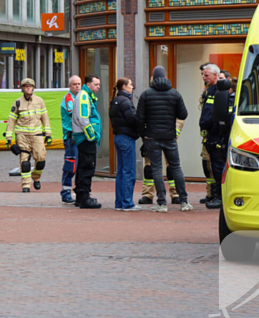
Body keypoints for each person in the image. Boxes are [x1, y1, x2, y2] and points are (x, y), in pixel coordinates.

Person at [135, 66, 191, 212]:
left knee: (156, 169)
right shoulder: (175, 94)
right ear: (165, 78)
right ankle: (184, 201)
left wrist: (144, 135)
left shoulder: (146, 94)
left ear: (152, 78)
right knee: (176, 167)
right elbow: (183, 114)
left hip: (152, 137)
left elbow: (139, 119)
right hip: (170, 137)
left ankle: (161, 203)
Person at [4, 78, 52, 193]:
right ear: (22, 88)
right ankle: (26, 185)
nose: (28, 88)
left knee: (41, 160)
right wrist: (9, 138)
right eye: (26, 86)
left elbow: (45, 119)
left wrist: (48, 134)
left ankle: (36, 178)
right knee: (24, 162)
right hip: (22, 136)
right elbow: (11, 121)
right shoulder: (17, 102)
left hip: (37, 135)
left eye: (30, 86)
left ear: (33, 87)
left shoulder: (40, 101)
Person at [200, 74, 235, 210]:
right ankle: (217, 195)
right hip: (221, 137)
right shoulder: (215, 95)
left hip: (220, 137)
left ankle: (220, 197)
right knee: (215, 167)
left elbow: (211, 118)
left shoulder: (222, 98)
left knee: (219, 168)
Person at [109, 77, 141, 211]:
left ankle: (119, 202)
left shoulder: (115, 101)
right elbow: (133, 119)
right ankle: (127, 203)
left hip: (118, 137)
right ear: (124, 87)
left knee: (121, 171)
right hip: (127, 138)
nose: (132, 87)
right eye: (130, 85)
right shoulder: (125, 101)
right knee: (129, 171)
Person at [71, 75, 103, 209]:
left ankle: (81, 196)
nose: (98, 87)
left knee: (83, 166)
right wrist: (92, 136)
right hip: (85, 138)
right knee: (87, 166)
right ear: (88, 85)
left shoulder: (85, 95)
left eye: (99, 85)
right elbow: (84, 118)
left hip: (83, 137)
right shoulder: (84, 96)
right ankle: (84, 198)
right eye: (96, 84)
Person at [59, 75, 82, 205]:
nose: (77, 86)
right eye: (74, 84)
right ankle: (65, 192)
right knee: (70, 165)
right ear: (70, 86)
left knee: (77, 165)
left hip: (77, 137)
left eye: (79, 84)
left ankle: (75, 190)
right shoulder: (69, 98)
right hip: (71, 137)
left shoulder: (78, 98)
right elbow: (75, 113)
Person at [199, 63, 221, 206]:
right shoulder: (209, 91)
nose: (203, 77)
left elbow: (213, 114)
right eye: (203, 75)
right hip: (210, 136)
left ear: (215, 75)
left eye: (206, 75)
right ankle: (213, 195)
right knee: (211, 167)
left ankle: (218, 197)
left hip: (216, 135)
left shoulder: (217, 91)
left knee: (217, 168)